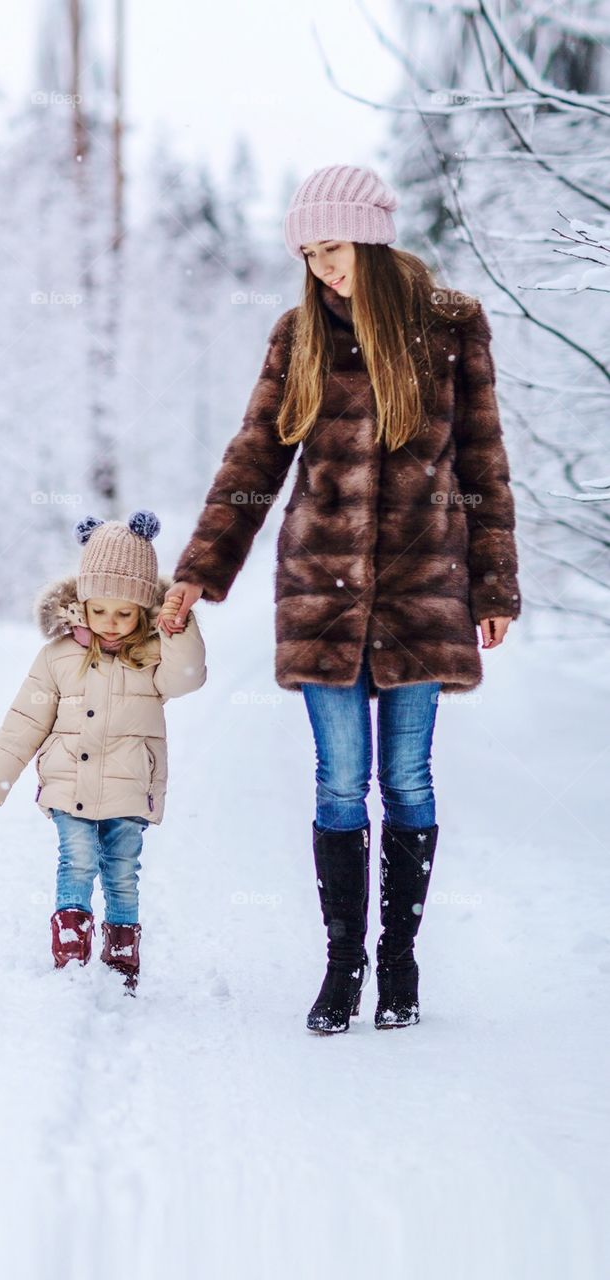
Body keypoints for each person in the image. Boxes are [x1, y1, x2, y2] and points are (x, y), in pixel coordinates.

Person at [160, 163, 521, 1034]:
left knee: (407, 780)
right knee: (336, 783)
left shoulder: (450, 327)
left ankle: (398, 961)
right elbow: (253, 462)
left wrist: (496, 580)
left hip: (423, 589)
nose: (321, 267)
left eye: (331, 248)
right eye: (309, 254)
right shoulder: (299, 336)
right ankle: (341, 965)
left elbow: (480, 459)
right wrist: (197, 571)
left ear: (368, 236)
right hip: (319, 595)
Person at [0, 510, 206, 992]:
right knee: (75, 860)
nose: (111, 624)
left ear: (143, 610)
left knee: (122, 871)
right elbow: (26, 718)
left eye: (125, 613)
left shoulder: (154, 654)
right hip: (68, 785)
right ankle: (72, 960)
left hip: (130, 786)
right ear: (81, 604)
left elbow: (187, 680)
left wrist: (180, 627)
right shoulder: (57, 656)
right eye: (100, 611)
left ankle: (121, 960)